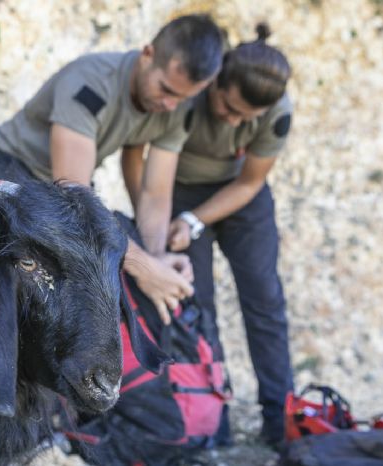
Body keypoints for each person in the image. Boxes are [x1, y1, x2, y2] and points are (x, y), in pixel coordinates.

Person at [0, 14, 225, 317]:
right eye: (167, 90)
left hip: (63, 188)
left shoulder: (177, 110)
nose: (170, 106)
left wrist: (158, 259)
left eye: (184, 97)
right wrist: (144, 268)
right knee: (3, 286)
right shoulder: (90, 84)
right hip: (13, 170)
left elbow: (155, 193)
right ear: (147, 55)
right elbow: (73, 197)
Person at [122, 23, 294, 447]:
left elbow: (251, 182)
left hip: (241, 199)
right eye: (227, 108)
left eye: (244, 119)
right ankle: (210, 422)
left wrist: (195, 221)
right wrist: (151, 220)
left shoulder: (277, 112)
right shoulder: (189, 88)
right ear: (216, 80)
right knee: (194, 305)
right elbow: (135, 153)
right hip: (175, 190)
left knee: (264, 299)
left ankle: (280, 420)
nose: (233, 121)